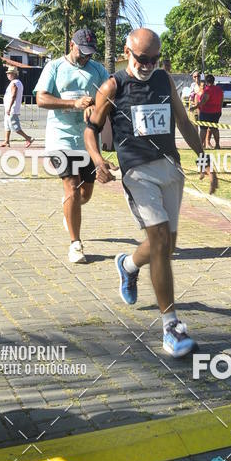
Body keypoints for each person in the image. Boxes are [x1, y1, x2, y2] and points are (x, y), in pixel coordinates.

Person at [84, 28, 211, 358]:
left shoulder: (164, 80)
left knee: (166, 248)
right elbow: (91, 129)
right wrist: (98, 161)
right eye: (143, 59)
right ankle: (171, 327)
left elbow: (183, 121)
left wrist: (205, 158)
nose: (149, 65)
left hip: (171, 169)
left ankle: (127, 265)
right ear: (127, 51)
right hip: (138, 172)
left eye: (155, 59)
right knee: (158, 242)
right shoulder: (113, 86)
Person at [34, 29, 109, 264]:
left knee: (85, 193)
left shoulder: (98, 70)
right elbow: (41, 99)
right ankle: (75, 244)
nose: (86, 57)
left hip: (87, 140)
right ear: (71, 45)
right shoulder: (55, 67)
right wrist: (73, 103)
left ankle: (69, 209)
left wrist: (95, 107)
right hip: (61, 139)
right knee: (73, 188)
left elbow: (110, 97)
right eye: (82, 52)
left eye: (90, 54)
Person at [1, 67, 33, 149]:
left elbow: (13, 95)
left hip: (12, 109)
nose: (8, 75)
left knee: (15, 127)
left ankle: (28, 138)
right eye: (7, 73)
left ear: (14, 74)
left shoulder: (14, 83)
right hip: (9, 108)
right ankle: (6, 141)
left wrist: (9, 107)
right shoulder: (16, 82)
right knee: (7, 125)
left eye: (9, 73)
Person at [196, 74, 223, 150]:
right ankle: (217, 145)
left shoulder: (207, 90)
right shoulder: (219, 89)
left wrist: (195, 107)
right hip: (216, 112)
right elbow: (221, 101)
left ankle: (201, 146)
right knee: (215, 129)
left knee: (203, 129)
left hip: (206, 112)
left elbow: (204, 101)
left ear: (206, 81)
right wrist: (219, 109)